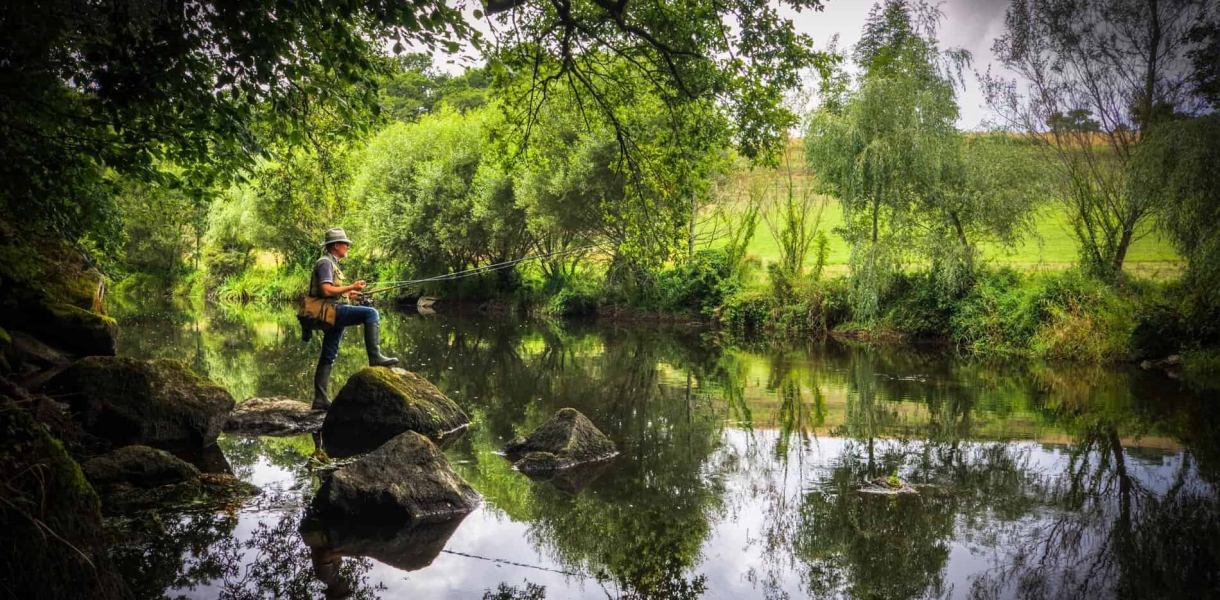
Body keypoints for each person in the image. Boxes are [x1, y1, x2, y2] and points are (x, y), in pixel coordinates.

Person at [309, 228, 398, 410]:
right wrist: (351, 286)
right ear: (336, 245)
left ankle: (320, 399)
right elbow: (326, 290)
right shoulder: (325, 263)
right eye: (345, 244)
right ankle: (375, 357)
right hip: (330, 311)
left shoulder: (330, 263)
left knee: (329, 353)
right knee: (371, 313)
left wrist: (350, 294)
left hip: (331, 311)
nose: (348, 247)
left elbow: (332, 291)